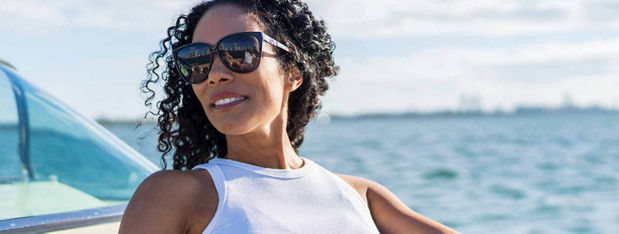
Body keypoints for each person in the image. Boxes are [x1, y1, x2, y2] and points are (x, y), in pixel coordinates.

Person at [120, 0, 457, 233]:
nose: (214, 74)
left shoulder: (361, 195)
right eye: (197, 59)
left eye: (239, 51)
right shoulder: (174, 195)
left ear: (292, 72)